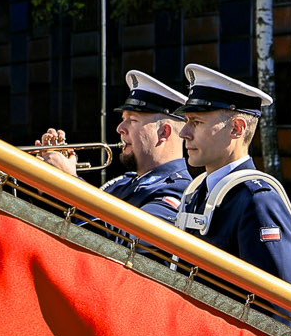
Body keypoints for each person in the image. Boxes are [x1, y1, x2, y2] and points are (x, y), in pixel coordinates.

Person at [173, 64, 291, 286]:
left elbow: (281, 308)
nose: (184, 133)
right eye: (186, 122)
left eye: (196, 122)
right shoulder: (198, 192)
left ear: (236, 129)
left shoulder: (257, 200)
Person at [32, 70, 194, 222]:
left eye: (132, 120)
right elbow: (70, 224)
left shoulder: (178, 191)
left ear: (164, 133)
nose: (120, 129)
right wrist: (48, 184)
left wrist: (69, 182)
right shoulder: (123, 183)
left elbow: (120, 240)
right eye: (123, 119)